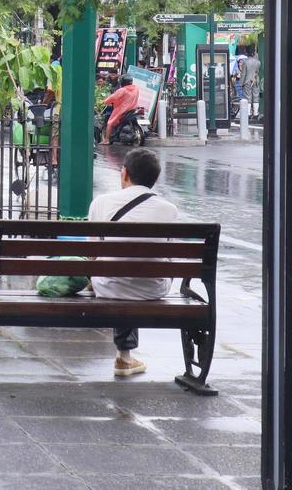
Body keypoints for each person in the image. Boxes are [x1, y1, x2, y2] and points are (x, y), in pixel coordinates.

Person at [87, 148, 180, 377]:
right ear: (155, 178)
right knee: (138, 267)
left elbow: (92, 254)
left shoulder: (101, 203)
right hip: (153, 288)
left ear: (124, 173)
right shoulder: (169, 210)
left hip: (108, 286)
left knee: (118, 270)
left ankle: (124, 356)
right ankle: (124, 357)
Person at [102, 76, 142, 142]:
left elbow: (113, 97)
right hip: (133, 109)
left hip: (122, 110)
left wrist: (106, 101)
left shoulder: (122, 90)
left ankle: (107, 140)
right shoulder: (136, 88)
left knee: (110, 123)